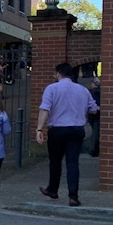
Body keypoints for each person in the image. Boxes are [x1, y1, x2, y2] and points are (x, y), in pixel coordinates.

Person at [36, 62, 99, 207]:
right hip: (77, 129)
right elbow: (94, 109)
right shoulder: (83, 90)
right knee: (72, 162)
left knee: (55, 161)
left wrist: (39, 129)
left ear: (58, 73)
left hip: (57, 129)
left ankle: (53, 189)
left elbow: (45, 109)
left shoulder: (51, 88)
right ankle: (73, 196)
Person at [87, 77, 101, 157]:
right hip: (97, 113)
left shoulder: (91, 92)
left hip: (92, 113)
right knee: (96, 132)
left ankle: (93, 150)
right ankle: (94, 149)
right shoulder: (99, 92)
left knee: (95, 132)